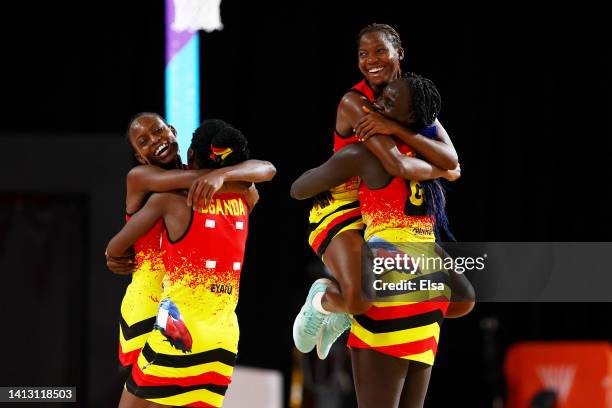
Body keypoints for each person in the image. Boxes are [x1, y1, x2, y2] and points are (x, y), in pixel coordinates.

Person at [292, 74, 472, 407]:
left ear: (410, 119)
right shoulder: (365, 153)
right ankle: (328, 299)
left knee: (464, 298)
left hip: (417, 258)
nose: (377, 107)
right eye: (382, 99)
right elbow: (299, 189)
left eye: (389, 104)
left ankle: (343, 304)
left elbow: (451, 164)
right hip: (364, 237)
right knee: (363, 298)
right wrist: (330, 179)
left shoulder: (423, 149)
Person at [107, 120, 271, 407]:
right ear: (139, 156)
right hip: (147, 306)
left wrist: (223, 176)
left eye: (158, 131)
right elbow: (256, 177)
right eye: (143, 141)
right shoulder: (141, 176)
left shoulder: (201, 184)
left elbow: (265, 172)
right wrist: (228, 176)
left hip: (176, 312)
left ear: (173, 131)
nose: (154, 140)